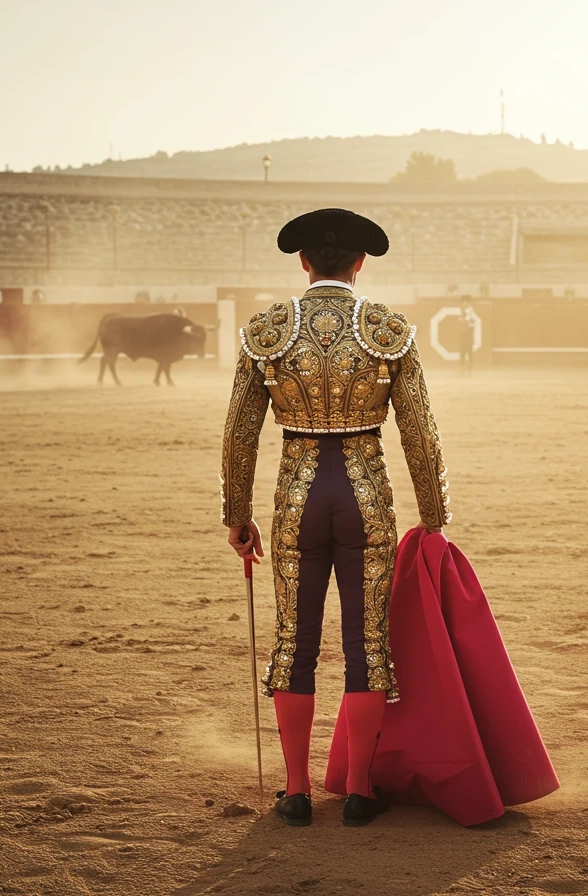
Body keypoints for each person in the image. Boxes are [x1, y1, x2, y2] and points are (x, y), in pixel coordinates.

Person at [220, 208, 449, 828]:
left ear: (302, 262)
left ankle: (296, 792)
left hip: (297, 496)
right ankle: (358, 791)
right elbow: (420, 434)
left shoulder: (268, 330)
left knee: (294, 641)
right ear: (360, 263)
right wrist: (433, 518)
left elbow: (240, 433)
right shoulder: (387, 329)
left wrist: (237, 514)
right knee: (367, 643)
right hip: (364, 496)